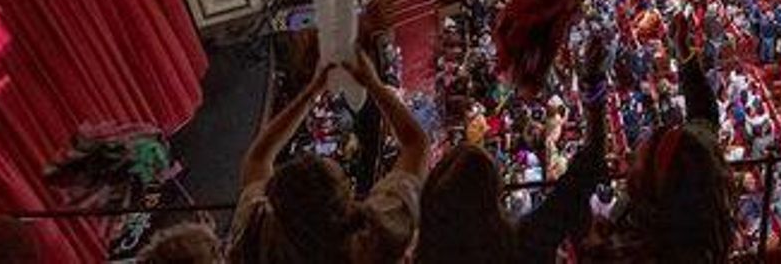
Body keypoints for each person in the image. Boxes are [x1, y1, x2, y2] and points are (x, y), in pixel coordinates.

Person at [416, 35, 610, 264]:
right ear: (494, 193)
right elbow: (592, 158)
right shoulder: (526, 241)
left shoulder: (425, 254)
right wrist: (593, 80)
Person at [227, 52, 429, 264]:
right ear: (346, 204)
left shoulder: (256, 233)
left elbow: (259, 157)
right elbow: (416, 145)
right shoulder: (381, 235)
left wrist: (312, 91)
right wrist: (373, 83)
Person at [588, 10, 734, 262]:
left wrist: (593, 85)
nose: (632, 161)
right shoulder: (708, 223)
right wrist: (683, 50)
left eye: (639, 159)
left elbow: (704, 119)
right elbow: (704, 117)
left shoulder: (621, 244)